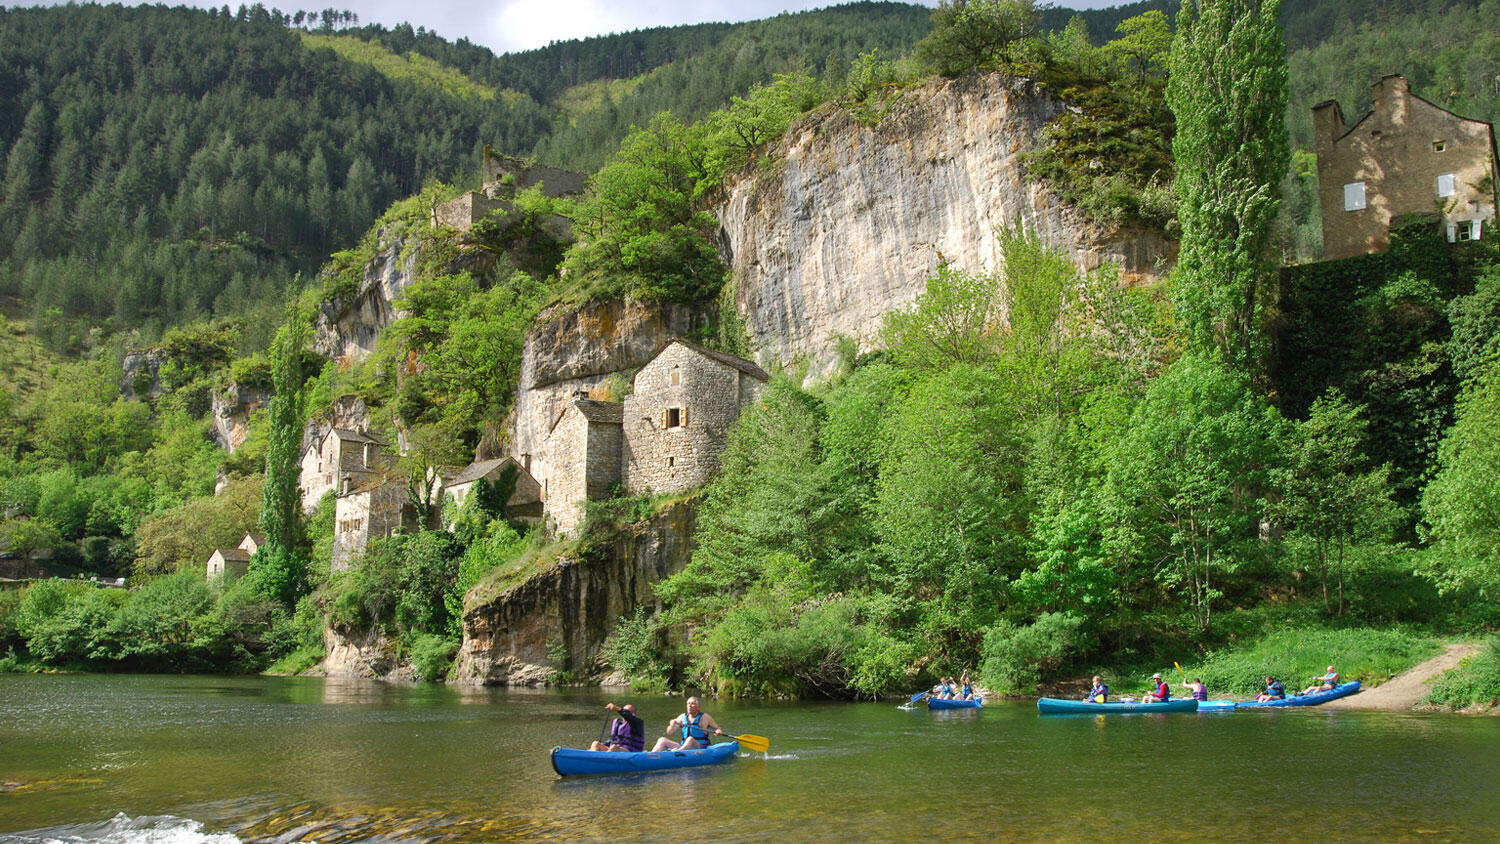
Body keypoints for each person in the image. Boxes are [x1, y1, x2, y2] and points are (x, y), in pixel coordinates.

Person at [650, 696, 723, 752]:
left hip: (700, 747)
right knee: (662, 740)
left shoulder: (705, 717)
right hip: (684, 746)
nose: (689, 706)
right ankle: (650, 756)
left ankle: (677, 753)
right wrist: (672, 725)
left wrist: (718, 731)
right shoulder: (682, 717)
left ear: (698, 707)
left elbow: (717, 728)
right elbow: (670, 732)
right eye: (688, 704)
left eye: (692, 704)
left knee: (690, 739)